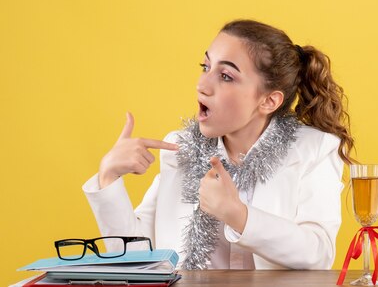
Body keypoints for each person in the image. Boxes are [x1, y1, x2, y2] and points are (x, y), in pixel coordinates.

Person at [83, 19, 353, 270]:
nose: (202, 84)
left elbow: (318, 252)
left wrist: (238, 215)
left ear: (269, 101)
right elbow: (141, 260)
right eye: (205, 67)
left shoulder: (315, 149)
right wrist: (108, 177)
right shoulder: (180, 148)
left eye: (226, 76)